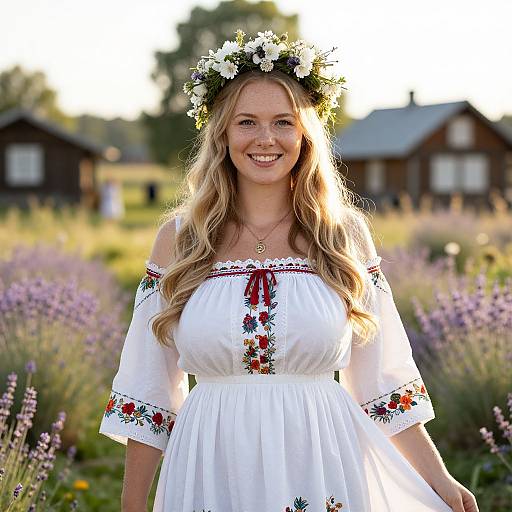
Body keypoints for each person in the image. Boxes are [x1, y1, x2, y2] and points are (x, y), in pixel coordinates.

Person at [99, 30, 479, 512]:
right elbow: (147, 389)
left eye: (283, 121)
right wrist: (133, 506)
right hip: (211, 463)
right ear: (222, 132)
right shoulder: (181, 239)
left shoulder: (343, 235)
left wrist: (440, 481)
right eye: (247, 122)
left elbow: (382, 382)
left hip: (320, 461)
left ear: (305, 133)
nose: (265, 139)